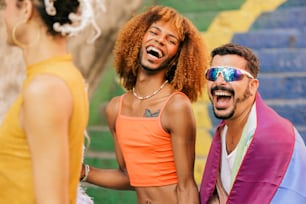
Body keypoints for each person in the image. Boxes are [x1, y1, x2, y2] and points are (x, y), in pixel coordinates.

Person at [80, 5, 209, 204]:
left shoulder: (175, 106)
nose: (160, 40)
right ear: (139, 38)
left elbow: (186, 186)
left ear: (176, 58)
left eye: (171, 40)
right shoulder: (115, 108)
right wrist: (84, 172)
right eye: (154, 32)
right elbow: (130, 176)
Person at [0, 0, 102, 203]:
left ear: (26, 9)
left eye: (4, 6)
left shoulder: (45, 89)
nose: (4, 16)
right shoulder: (65, 76)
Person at [199, 43, 306, 203]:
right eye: (213, 74)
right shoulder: (224, 130)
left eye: (231, 74)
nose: (219, 81)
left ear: (252, 86)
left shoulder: (278, 138)